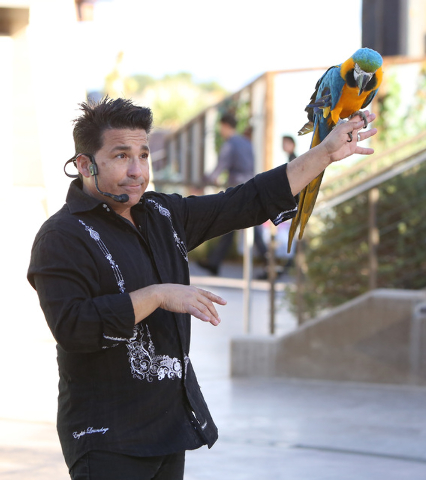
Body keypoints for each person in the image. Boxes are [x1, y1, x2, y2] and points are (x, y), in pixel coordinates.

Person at [27, 97, 376, 480]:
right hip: (107, 439)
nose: (137, 171)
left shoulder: (162, 214)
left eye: (143, 155)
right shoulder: (61, 236)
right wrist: (159, 295)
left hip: (168, 430)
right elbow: (74, 327)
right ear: (84, 165)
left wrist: (325, 153)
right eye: (121, 156)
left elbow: (245, 201)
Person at [197, 112, 268, 276]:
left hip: (237, 189)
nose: (220, 131)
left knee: (243, 226)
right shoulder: (247, 143)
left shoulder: (230, 144)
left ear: (225, 126)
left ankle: (268, 263)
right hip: (250, 186)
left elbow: (219, 167)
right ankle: (214, 262)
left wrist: (202, 184)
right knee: (231, 225)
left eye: (221, 127)